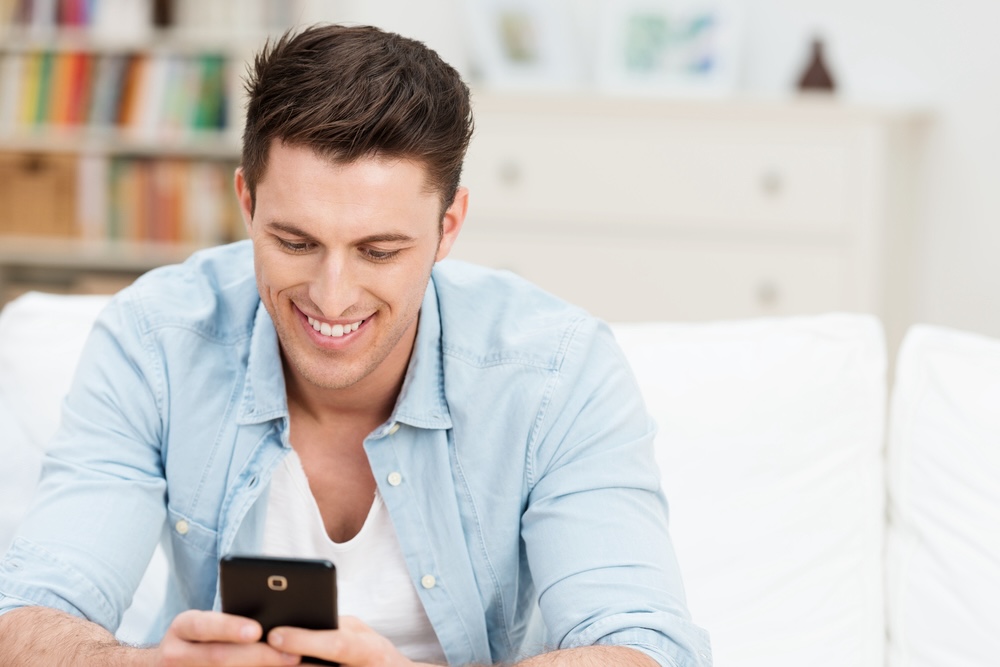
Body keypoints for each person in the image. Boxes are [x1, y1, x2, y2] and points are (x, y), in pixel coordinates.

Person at [0, 24, 710, 667]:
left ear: (449, 225)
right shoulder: (154, 342)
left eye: (379, 250)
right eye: (295, 241)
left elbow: (646, 647)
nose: (332, 296)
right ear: (246, 203)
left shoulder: (556, 371)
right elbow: (26, 616)